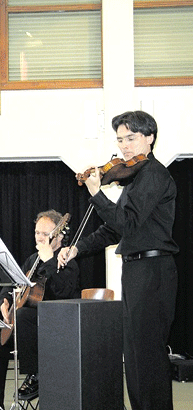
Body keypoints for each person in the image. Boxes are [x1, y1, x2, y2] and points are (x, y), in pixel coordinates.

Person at [58, 111, 179, 410]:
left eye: (131, 138)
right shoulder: (134, 179)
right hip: (137, 269)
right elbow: (113, 228)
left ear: (149, 138)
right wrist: (77, 248)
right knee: (136, 354)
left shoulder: (153, 174)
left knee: (147, 356)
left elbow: (128, 225)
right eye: (120, 140)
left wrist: (98, 193)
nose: (124, 146)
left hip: (153, 270)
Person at [0, 210, 80, 410]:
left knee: (24, 315)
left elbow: (64, 291)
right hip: (29, 329)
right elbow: (11, 284)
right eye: (36, 232)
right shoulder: (32, 259)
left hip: (57, 326)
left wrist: (50, 260)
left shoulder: (66, 258)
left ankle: (35, 375)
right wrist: (4, 300)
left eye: (45, 233)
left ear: (59, 235)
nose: (39, 237)